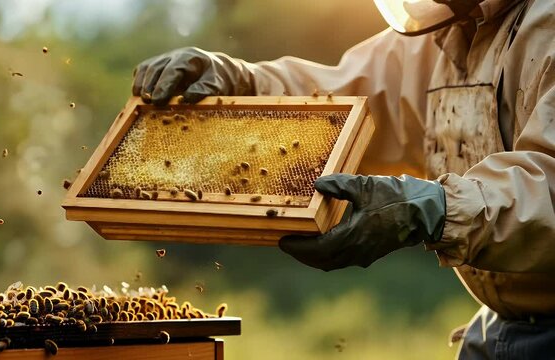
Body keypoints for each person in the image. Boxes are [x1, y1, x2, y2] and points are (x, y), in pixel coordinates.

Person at [131, 0, 555, 357]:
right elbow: (342, 98)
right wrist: (243, 82)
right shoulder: (444, 35)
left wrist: (436, 209)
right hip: (499, 330)